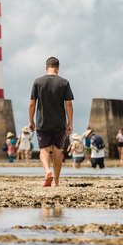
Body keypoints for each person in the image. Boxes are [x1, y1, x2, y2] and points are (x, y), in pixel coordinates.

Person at [28, 57, 74, 187]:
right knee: (58, 150)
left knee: (44, 150)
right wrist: (70, 122)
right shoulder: (64, 82)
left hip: (42, 122)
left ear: (46, 67)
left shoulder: (38, 82)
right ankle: (56, 181)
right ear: (58, 68)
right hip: (59, 123)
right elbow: (69, 104)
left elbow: (32, 103)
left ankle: (47, 171)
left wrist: (31, 121)